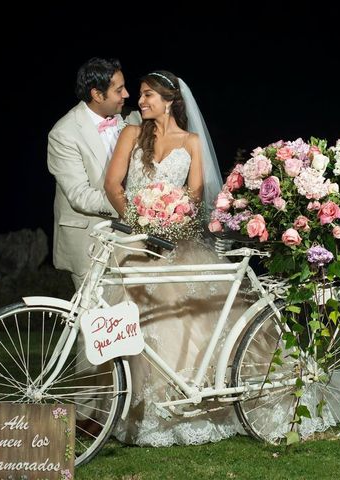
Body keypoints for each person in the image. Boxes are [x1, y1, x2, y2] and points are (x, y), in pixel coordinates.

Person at [104, 70, 243, 447]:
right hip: (134, 245)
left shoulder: (192, 141)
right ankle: (130, 410)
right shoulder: (131, 134)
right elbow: (113, 185)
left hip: (175, 245)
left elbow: (195, 197)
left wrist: (173, 222)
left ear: (170, 101)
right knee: (131, 324)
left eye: (149, 95)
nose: (141, 101)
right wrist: (137, 221)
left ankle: (182, 406)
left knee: (182, 322)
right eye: (141, 95)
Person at [47, 57, 140, 290]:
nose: (127, 94)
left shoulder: (134, 118)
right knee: (96, 320)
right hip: (90, 239)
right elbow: (79, 195)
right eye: (119, 90)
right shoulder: (64, 133)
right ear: (97, 95)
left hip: (134, 239)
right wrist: (131, 206)